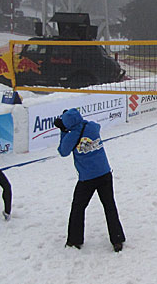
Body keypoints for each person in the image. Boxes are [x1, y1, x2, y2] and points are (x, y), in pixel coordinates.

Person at [55, 108, 126, 252]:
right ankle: (117, 240)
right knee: (109, 206)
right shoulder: (92, 127)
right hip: (105, 173)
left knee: (78, 208)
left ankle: (75, 240)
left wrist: (63, 130)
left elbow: (63, 151)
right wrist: (77, 122)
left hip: (87, 178)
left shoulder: (72, 135)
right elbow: (92, 125)